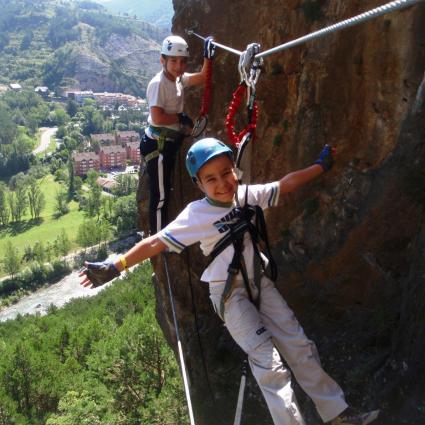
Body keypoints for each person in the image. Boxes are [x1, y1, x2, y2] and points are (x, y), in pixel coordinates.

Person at [80, 138, 379, 425]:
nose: (222, 183)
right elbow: (156, 242)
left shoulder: (245, 196)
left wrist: (320, 166)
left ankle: (338, 413)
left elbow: (284, 185)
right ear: (199, 184)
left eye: (226, 172)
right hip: (229, 295)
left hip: (259, 283)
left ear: (234, 170)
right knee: (269, 364)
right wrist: (116, 265)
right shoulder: (197, 214)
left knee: (301, 347)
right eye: (211, 179)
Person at [141, 34, 215, 233]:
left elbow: (201, 77)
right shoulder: (159, 84)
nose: (178, 66)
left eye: (182, 62)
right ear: (162, 60)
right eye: (173, 61)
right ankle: (156, 239)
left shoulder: (178, 79)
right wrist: (180, 119)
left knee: (166, 192)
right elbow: (157, 117)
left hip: (168, 142)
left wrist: (208, 56)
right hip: (158, 144)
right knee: (161, 196)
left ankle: (160, 235)